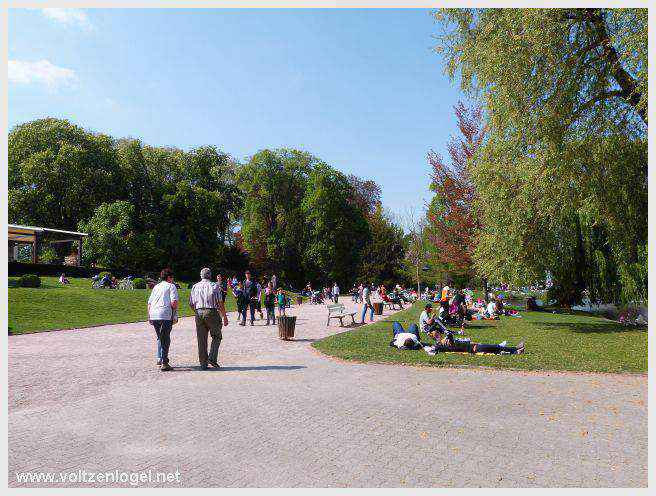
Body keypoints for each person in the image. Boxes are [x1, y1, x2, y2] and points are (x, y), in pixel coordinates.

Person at [189, 267, 229, 370]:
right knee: (217, 336)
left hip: (198, 312)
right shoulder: (214, 286)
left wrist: (197, 312)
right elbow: (220, 303)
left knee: (201, 339)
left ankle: (203, 363)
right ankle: (212, 358)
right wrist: (224, 317)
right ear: (210, 276)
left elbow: (191, 303)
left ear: (201, 275)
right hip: (211, 311)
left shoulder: (195, 286)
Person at [147, 268, 179, 371]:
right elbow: (174, 303)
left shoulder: (156, 287)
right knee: (165, 338)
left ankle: (159, 358)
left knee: (160, 337)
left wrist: (149, 316)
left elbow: (149, 303)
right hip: (165, 314)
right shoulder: (171, 286)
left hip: (154, 313)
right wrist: (175, 315)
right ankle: (165, 362)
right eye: (172, 277)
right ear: (169, 277)